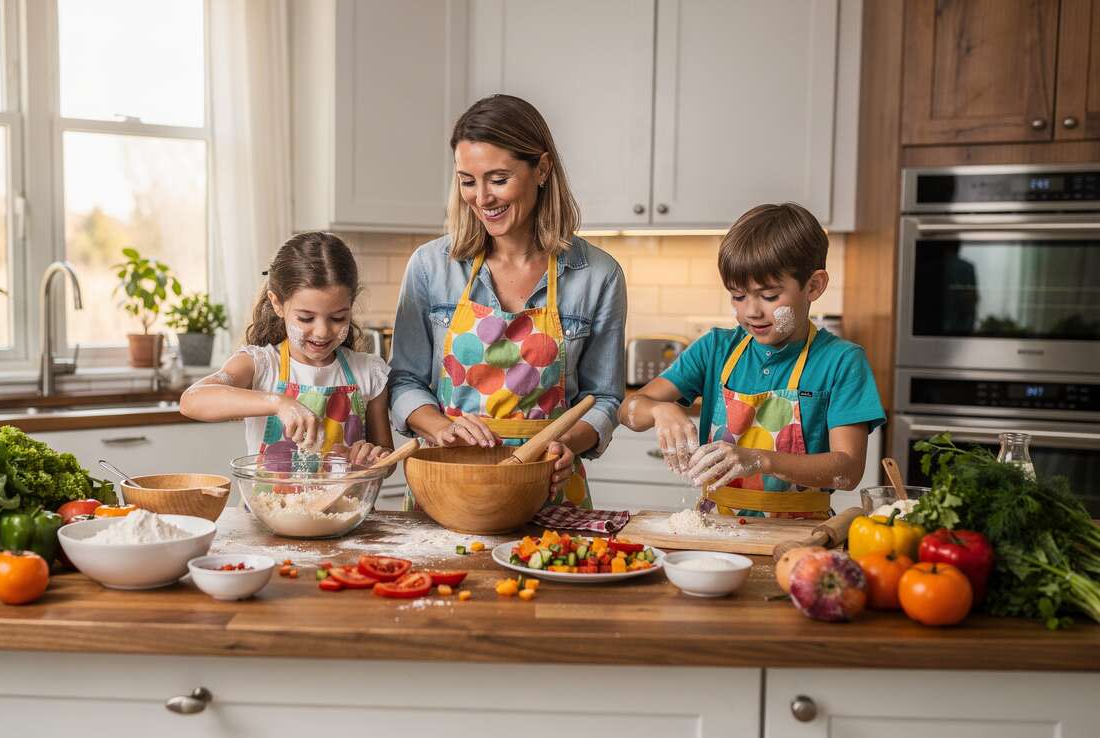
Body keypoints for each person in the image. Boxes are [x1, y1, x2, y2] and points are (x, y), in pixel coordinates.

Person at [389, 94, 627, 509]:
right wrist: (441, 428)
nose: (482, 198)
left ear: (542, 169)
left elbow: (604, 397)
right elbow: (404, 380)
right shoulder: (431, 266)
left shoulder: (597, 275)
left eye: (498, 179)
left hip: (548, 492)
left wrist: (565, 447)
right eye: (467, 180)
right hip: (447, 484)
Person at [621, 203, 885, 519]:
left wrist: (760, 460)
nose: (751, 311)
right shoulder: (716, 349)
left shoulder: (841, 361)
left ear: (813, 286)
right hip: (716, 529)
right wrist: (660, 409)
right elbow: (630, 410)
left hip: (800, 538)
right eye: (737, 295)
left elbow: (848, 468)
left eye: (769, 296)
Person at [180, 232, 392, 468]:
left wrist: (372, 456)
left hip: (349, 505)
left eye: (337, 317)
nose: (322, 331)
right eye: (306, 318)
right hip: (268, 505)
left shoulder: (368, 372)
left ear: (351, 306)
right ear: (277, 304)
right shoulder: (261, 364)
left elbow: (387, 458)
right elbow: (192, 400)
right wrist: (278, 402)